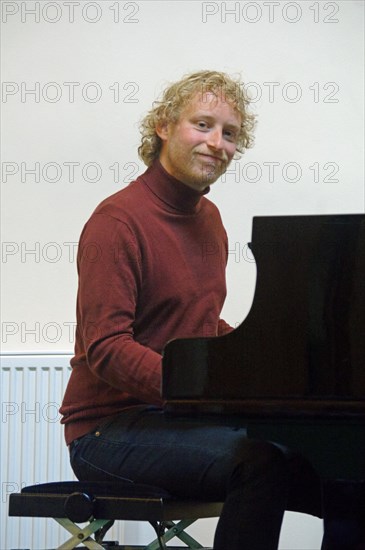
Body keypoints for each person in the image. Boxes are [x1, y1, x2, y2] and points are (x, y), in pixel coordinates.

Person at [60, 70, 323, 549]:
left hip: (178, 417)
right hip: (105, 432)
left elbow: (201, 326)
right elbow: (107, 348)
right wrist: (199, 391)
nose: (217, 143)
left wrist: (260, 357)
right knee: (259, 460)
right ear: (163, 125)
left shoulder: (211, 220)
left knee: (332, 460)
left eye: (230, 133)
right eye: (203, 125)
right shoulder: (116, 221)